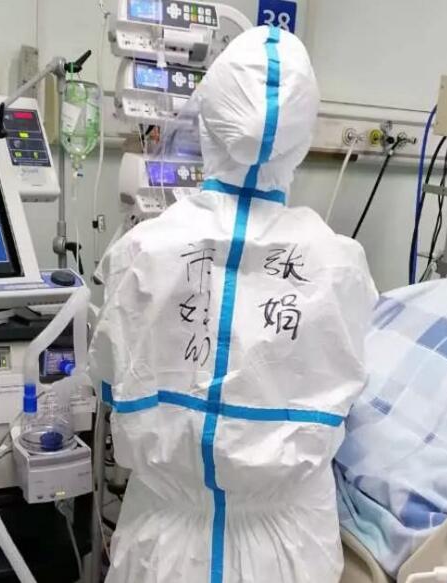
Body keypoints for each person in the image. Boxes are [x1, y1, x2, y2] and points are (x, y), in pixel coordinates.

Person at [89, 25, 378, 583]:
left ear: (207, 122)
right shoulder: (340, 267)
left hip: (166, 552)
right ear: (301, 139)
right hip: (291, 554)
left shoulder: (141, 252)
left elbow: (106, 383)